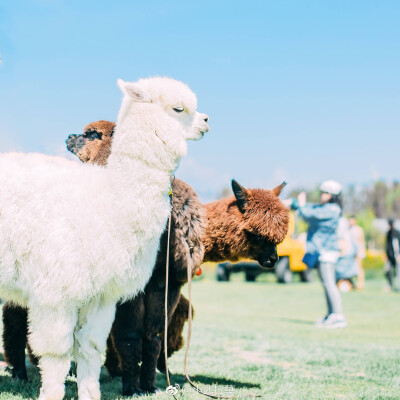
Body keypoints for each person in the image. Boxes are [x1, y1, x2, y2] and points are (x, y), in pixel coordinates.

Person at [291, 180, 347, 329]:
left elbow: (309, 213)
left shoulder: (332, 209)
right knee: (326, 284)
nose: (321, 195)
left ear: (331, 195)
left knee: (329, 284)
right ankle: (331, 315)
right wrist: (296, 204)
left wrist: (301, 205)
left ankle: (339, 316)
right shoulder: (326, 208)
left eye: (324, 192)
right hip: (322, 252)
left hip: (327, 252)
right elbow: (310, 209)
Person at [348, 216, 366, 290]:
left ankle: (360, 284)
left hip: (358, 251)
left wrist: (361, 251)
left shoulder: (359, 230)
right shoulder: (348, 230)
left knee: (359, 268)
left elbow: (361, 241)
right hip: (350, 251)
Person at [385, 219, 400, 292]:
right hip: (389, 257)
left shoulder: (397, 233)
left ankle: (399, 287)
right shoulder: (388, 233)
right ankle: (390, 285)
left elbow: (397, 245)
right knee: (387, 271)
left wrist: (398, 255)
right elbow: (387, 246)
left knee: (398, 272)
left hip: (397, 256)